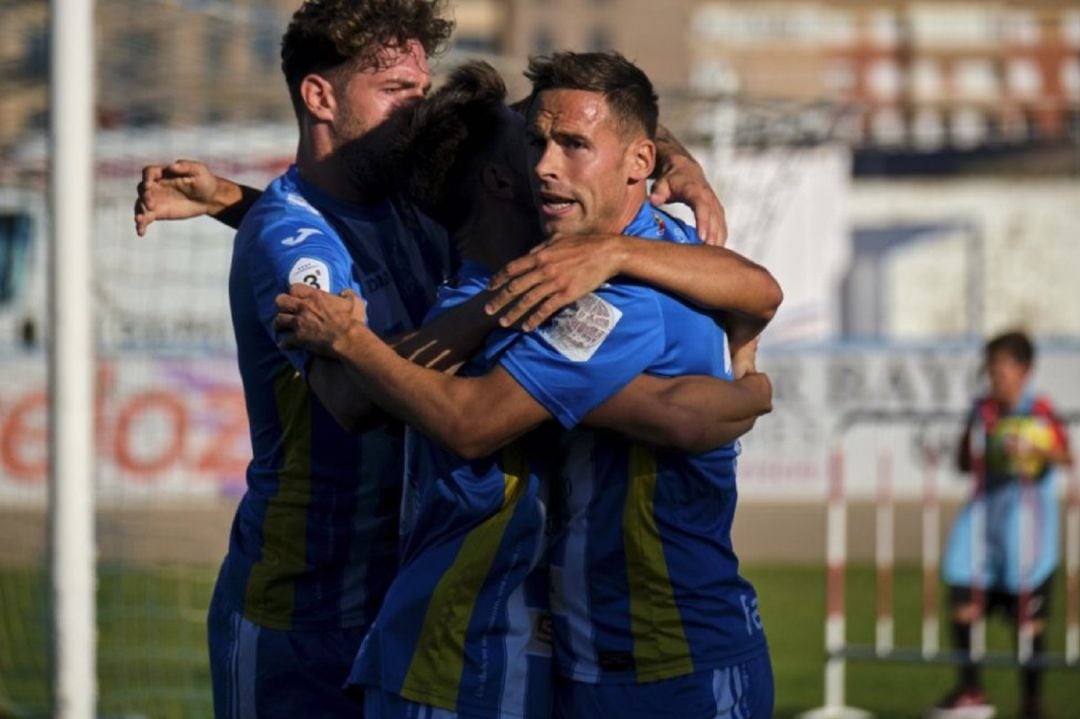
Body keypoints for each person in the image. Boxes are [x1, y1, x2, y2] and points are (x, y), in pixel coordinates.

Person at [276, 52, 782, 718]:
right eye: (535, 145)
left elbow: (469, 416)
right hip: (541, 662)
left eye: (571, 147)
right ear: (498, 179)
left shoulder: (613, 291)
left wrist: (353, 342)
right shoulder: (551, 276)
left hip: (670, 661)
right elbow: (682, 407)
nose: (545, 164)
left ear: (637, 161)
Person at [207, 2, 461, 716]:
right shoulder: (290, 238)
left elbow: (537, 122)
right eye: (396, 93)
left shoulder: (417, 210)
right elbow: (352, 401)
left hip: (400, 603)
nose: (419, 112)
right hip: (300, 621)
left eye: (423, 92)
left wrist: (664, 155)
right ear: (319, 96)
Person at [933, 331, 1072, 719]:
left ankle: (1031, 702)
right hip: (982, 528)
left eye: (1003, 368)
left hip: (1028, 535)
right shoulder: (983, 411)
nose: (995, 376)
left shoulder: (1040, 411)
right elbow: (963, 461)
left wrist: (1037, 448)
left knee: (1029, 625)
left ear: (1024, 370)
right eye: (991, 368)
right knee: (962, 600)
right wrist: (979, 444)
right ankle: (971, 689)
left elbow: (1065, 457)